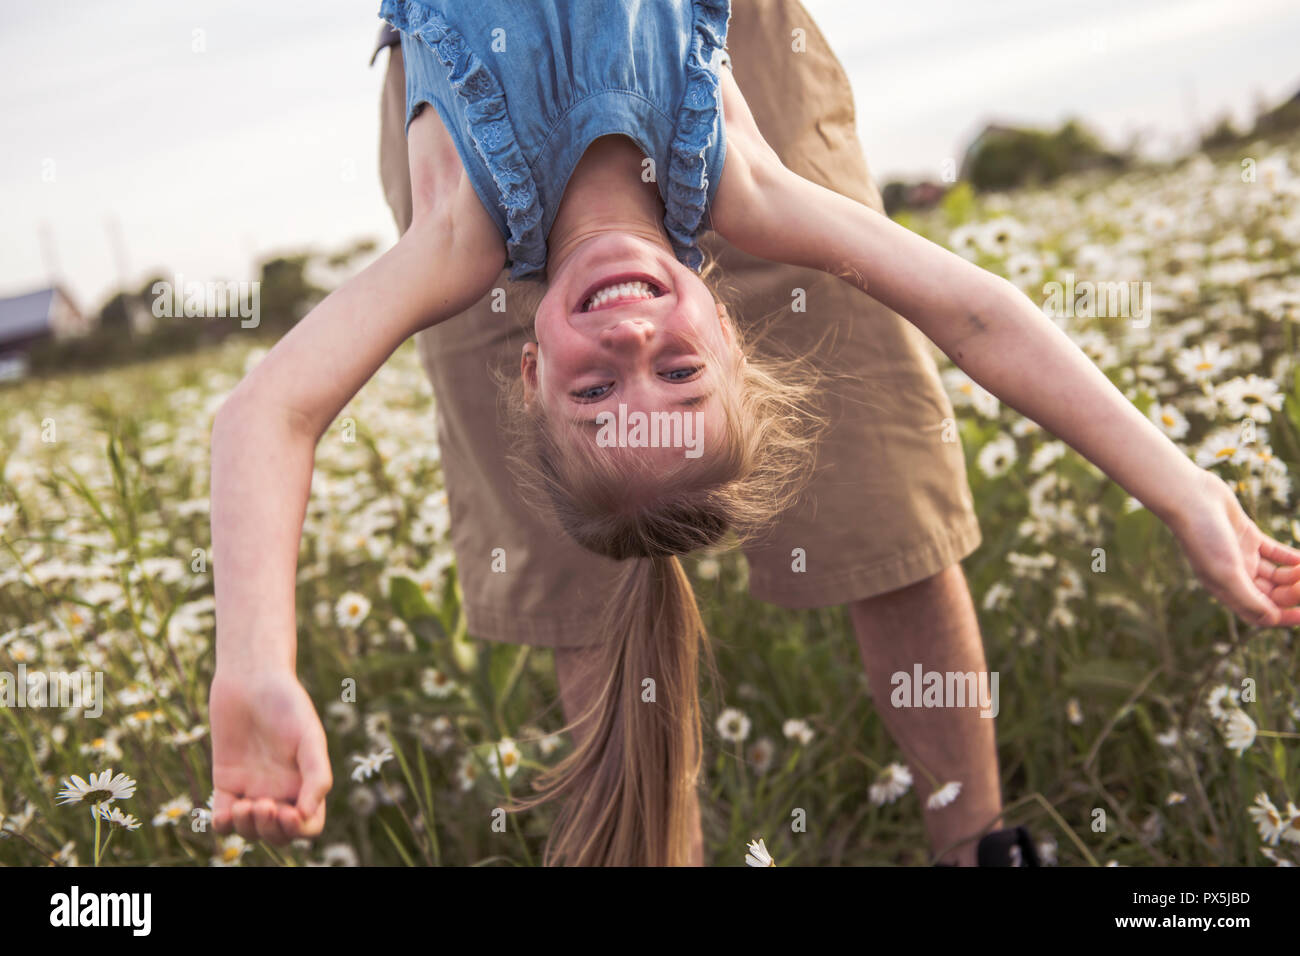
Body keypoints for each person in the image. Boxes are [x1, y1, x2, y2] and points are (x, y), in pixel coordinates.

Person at [208, 0, 1300, 867]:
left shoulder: (458, 236)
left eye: (595, 394)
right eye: (678, 369)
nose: (632, 332)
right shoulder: (743, 178)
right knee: (875, 502)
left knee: (607, 584)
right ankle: (979, 846)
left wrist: (257, 663)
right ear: (728, 320)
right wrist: (1183, 489)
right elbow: (972, 314)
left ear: (528, 368)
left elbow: (269, 411)